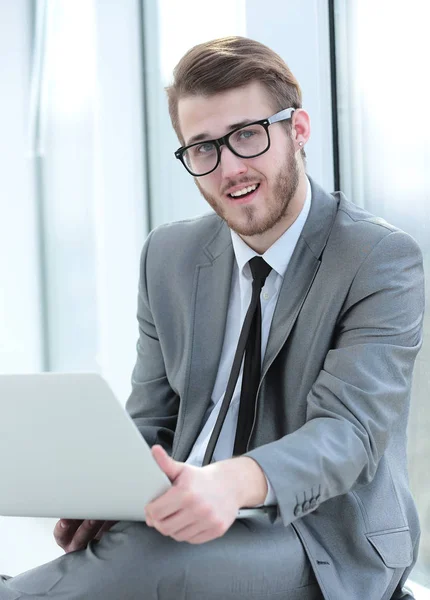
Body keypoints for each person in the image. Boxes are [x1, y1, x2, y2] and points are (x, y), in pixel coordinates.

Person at [0, 36, 424, 600]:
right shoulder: (168, 256)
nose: (229, 168)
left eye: (247, 135)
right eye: (203, 148)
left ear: (297, 130)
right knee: (137, 542)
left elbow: (349, 434)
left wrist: (229, 484)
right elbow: (153, 416)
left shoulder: (377, 258)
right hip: (184, 506)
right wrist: (104, 491)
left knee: (154, 554)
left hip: (317, 532)